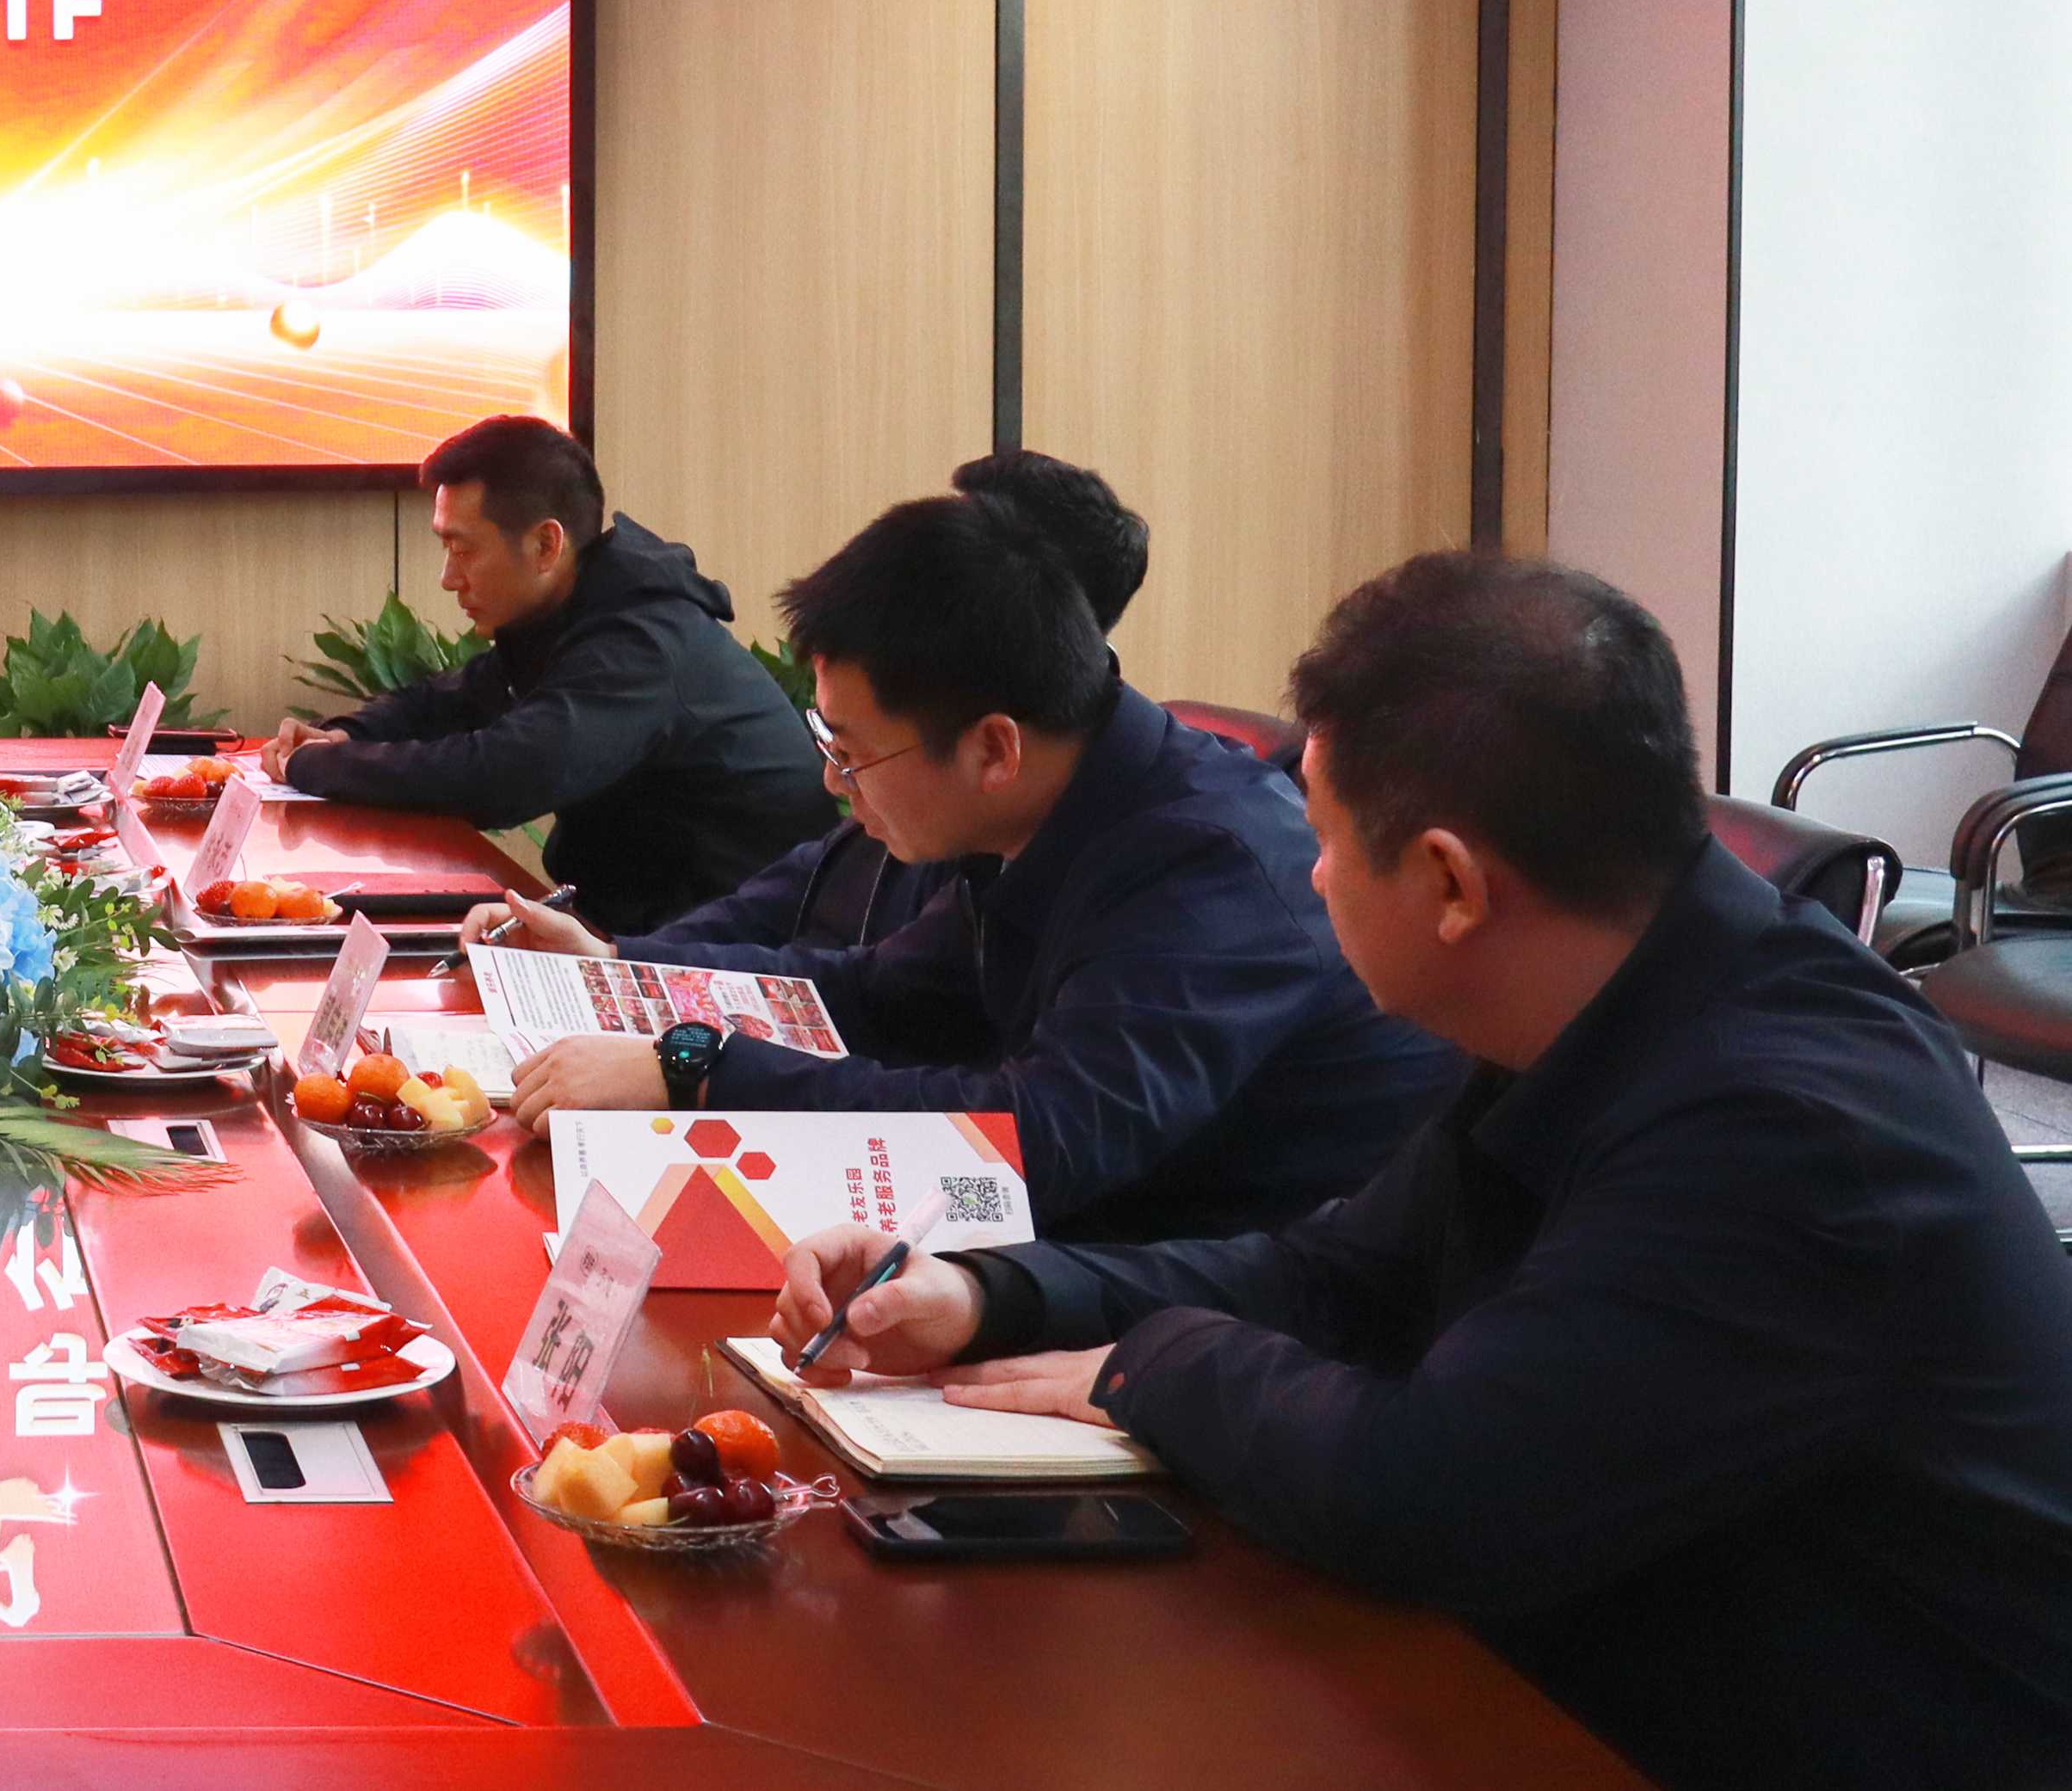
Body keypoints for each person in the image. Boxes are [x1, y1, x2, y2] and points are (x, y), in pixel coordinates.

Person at [774, 555, 2072, 1791]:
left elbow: (1429, 1491)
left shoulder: (1785, 1126)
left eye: (1325, 841)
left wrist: (1149, 1363)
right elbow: (1334, 1274)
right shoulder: (1614, 993)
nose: (1310, 876)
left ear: (1450, 881)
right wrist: (988, 1293)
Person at [494, 491, 1457, 1243]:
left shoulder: (1210, 869)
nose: (834, 782)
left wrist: (697, 1068)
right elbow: (874, 991)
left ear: (994, 748)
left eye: (852, 751)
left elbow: (1030, 1142)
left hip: (1220, 1300)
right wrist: (618, 971)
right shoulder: (1043, 810)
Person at [259, 415, 836, 928]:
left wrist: (317, 765)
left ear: (544, 545)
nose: (448, 578)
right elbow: (454, 698)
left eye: (463, 549)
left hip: (730, 951)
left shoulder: (640, 643)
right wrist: (349, 734)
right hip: (635, 927)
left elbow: (505, 775)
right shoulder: (575, 613)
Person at [576, 449, 1157, 956]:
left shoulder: (1122, 852)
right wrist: (619, 959)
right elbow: (841, 942)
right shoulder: (925, 749)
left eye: (958, 546)